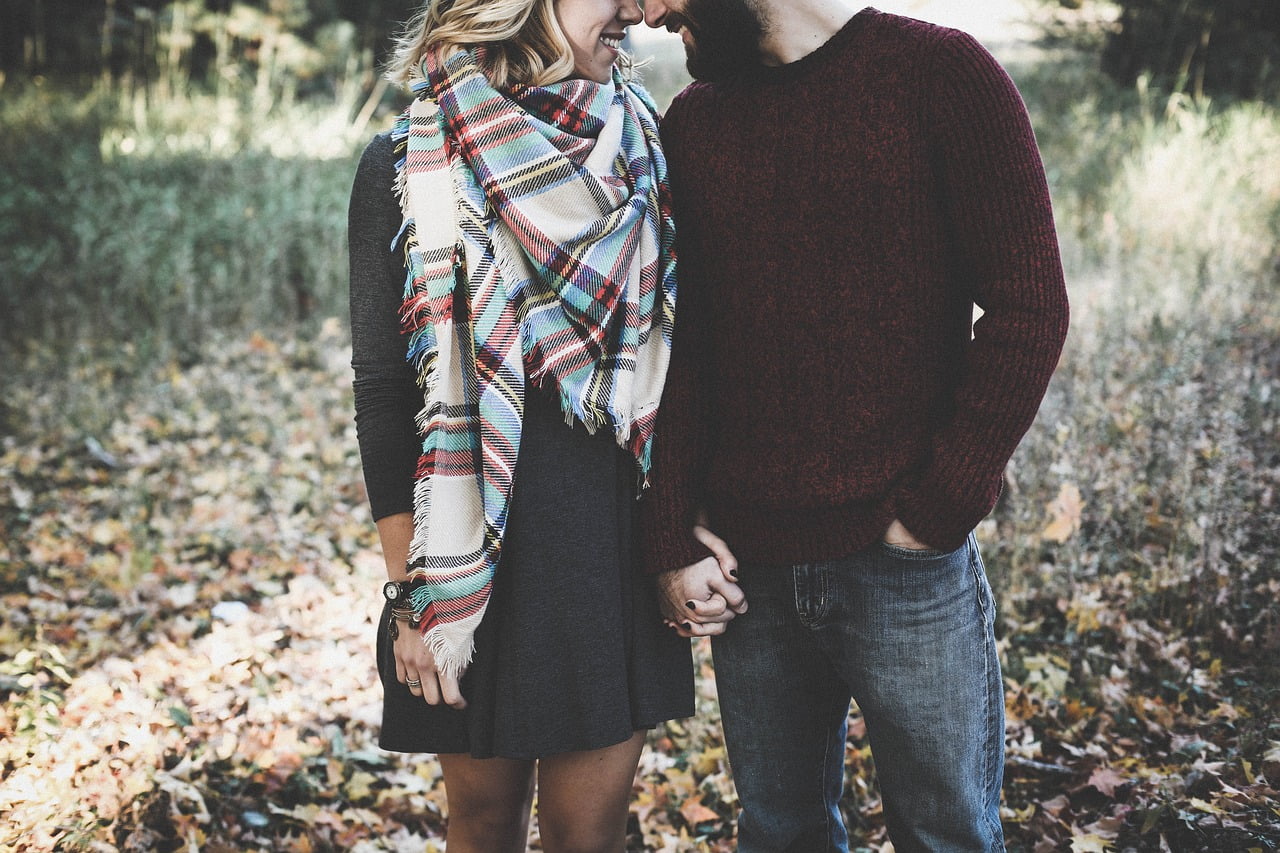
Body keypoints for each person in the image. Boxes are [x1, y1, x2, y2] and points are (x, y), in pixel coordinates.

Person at [639, 1, 1071, 851]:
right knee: (781, 832)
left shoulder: (940, 77)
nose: (650, 11)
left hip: (903, 568)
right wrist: (668, 533)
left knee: (944, 834)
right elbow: (679, 343)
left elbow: (1029, 306)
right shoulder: (693, 123)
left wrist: (935, 511)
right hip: (748, 573)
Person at [347, 1, 695, 849]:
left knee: (590, 834)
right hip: (475, 556)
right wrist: (412, 597)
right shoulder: (408, 161)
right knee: (483, 823)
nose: (636, 11)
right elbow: (385, 395)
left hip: (606, 545)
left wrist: (681, 535)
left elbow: (689, 364)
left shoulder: (649, 150)